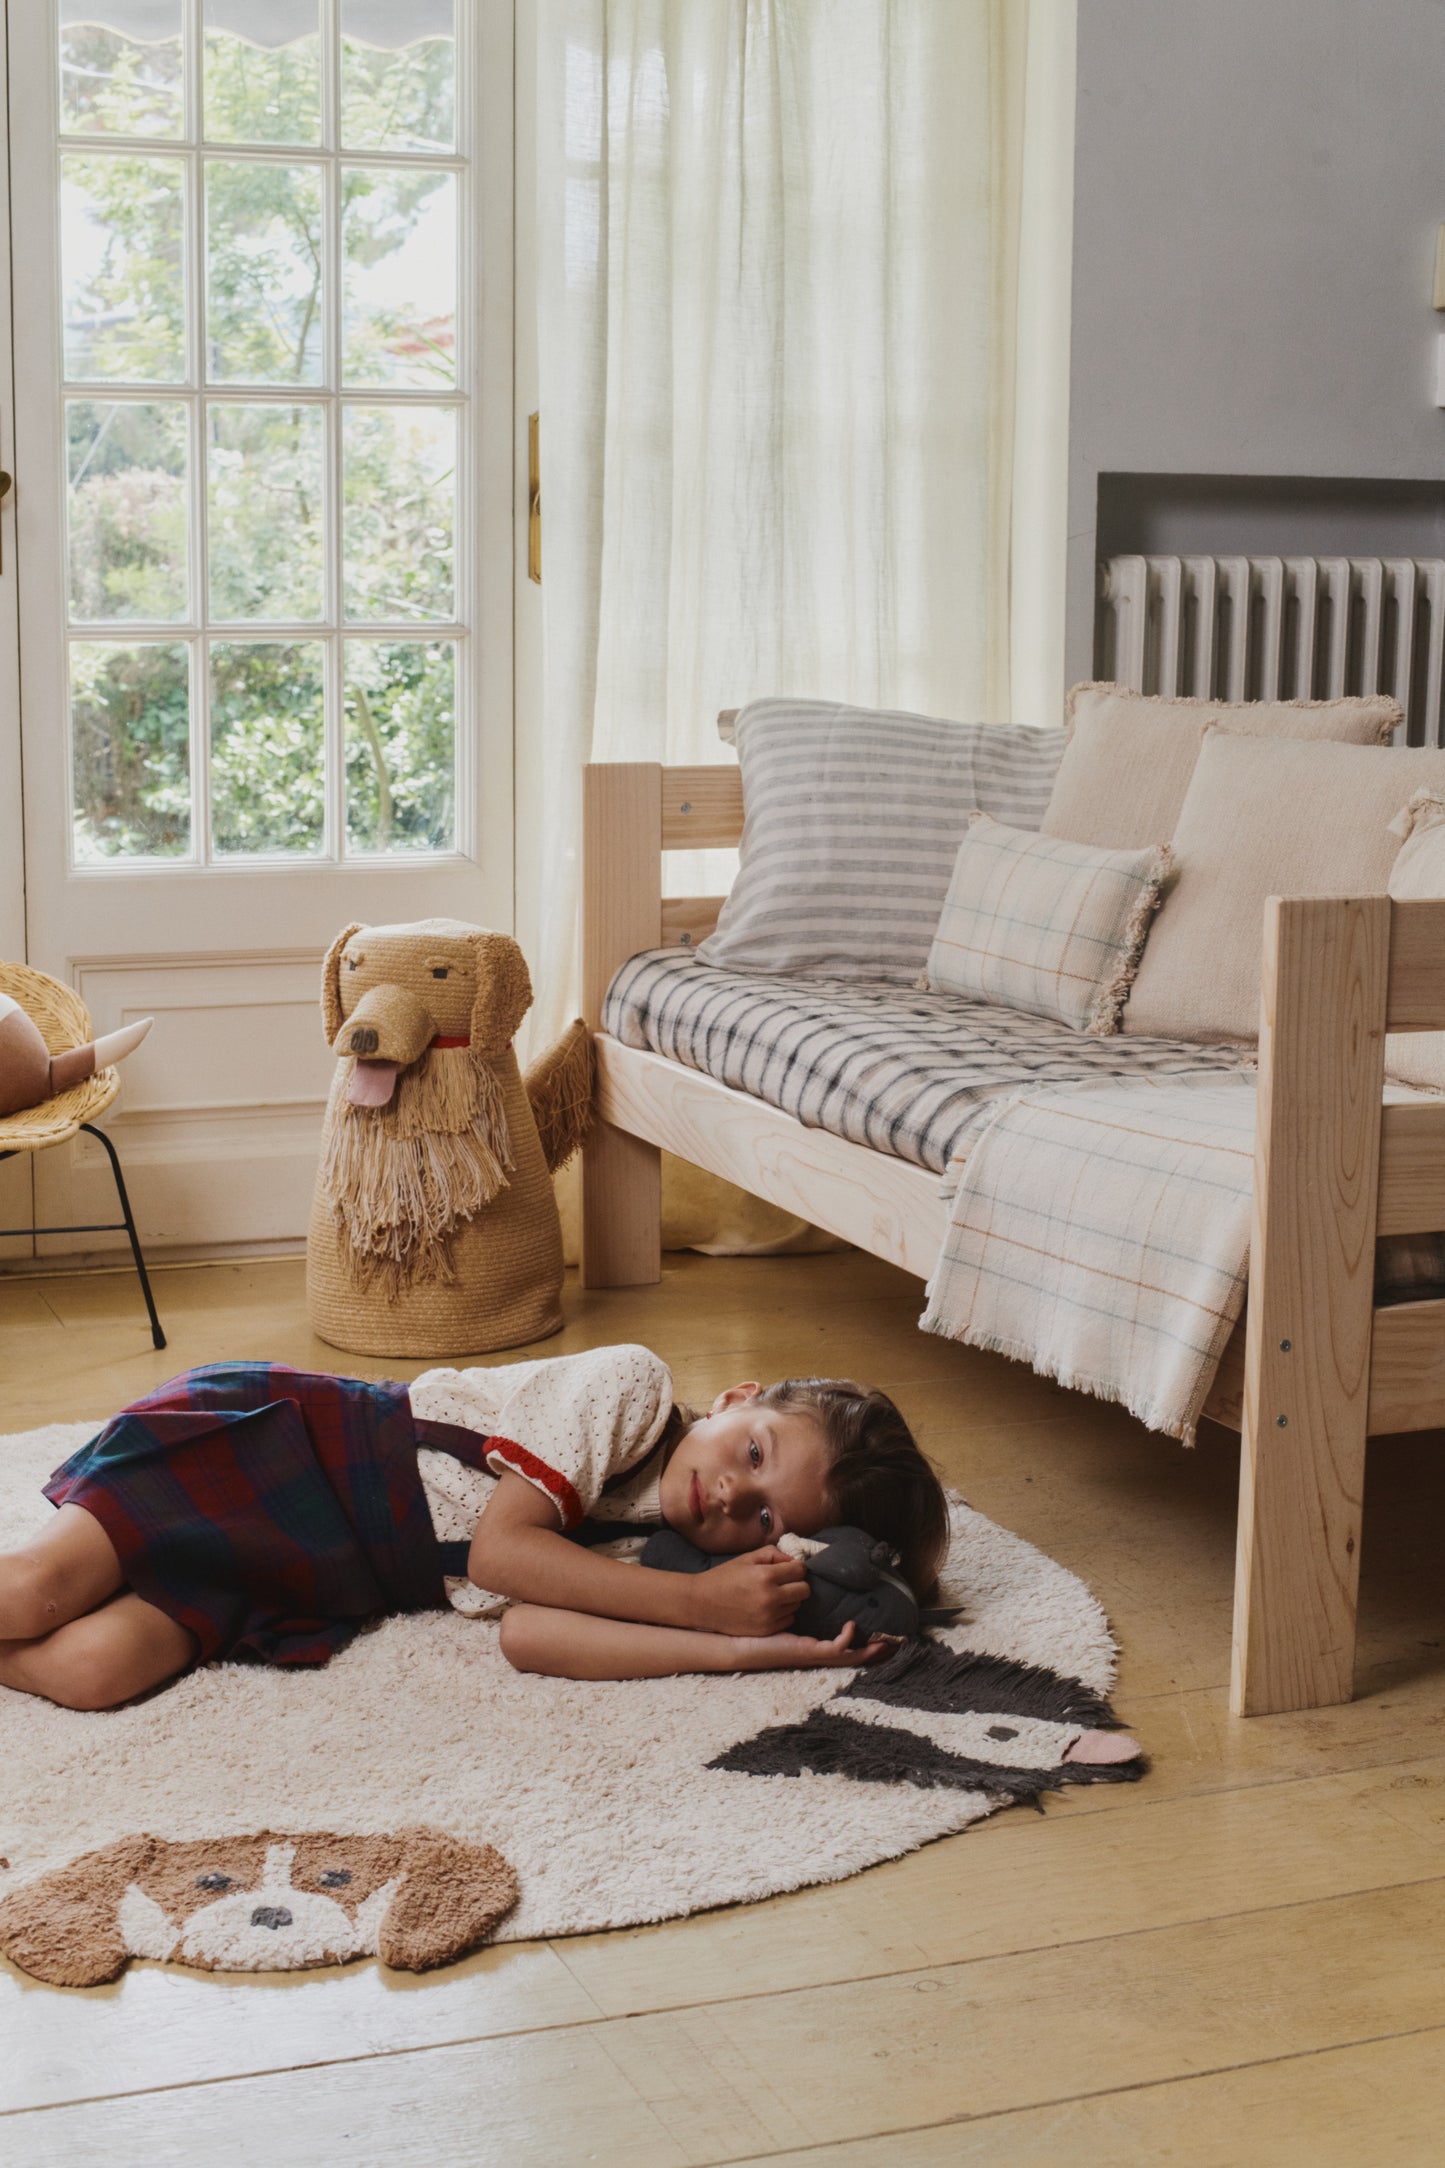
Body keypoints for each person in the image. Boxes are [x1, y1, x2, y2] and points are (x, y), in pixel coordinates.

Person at [0, 1344, 949, 1710]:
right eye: (752, 1452)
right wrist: (698, 1605)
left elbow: (532, 1635)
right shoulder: (628, 1391)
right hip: (287, 1451)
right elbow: (502, 1554)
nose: (731, 1497)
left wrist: (752, 1648)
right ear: (737, 1399)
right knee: (32, 1594)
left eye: (767, 1518)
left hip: (319, 1564)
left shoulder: (660, 1557)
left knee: (93, 1671)